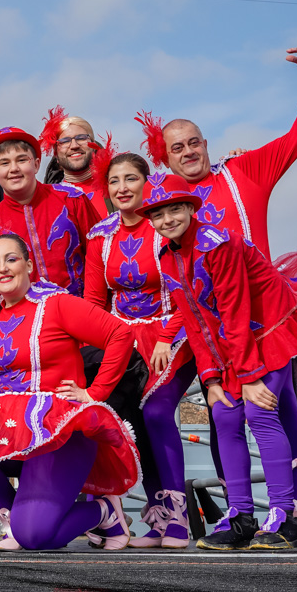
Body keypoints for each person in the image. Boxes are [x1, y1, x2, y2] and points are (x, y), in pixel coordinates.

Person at [0, 228, 140, 551]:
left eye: (11, 259)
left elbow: (120, 334)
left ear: (28, 265)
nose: (2, 268)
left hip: (59, 436)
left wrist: (94, 393)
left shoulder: (56, 304)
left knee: (35, 537)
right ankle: (17, 515)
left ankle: (103, 512)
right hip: (10, 432)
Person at [143, 175, 297, 550]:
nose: (167, 219)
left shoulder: (218, 243)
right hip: (233, 342)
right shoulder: (167, 257)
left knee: (260, 412)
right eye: (158, 214)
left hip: (268, 330)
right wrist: (211, 380)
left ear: (190, 208)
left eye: (175, 209)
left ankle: (286, 517)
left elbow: (234, 308)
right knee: (225, 416)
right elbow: (196, 323)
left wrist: (249, 377)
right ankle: (242, 517)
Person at [85, 155, 197, 548]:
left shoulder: (164, 226)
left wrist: (167, 336)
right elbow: (94, 302)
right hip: (122, 342)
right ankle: (158, 515)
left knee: (157, 412)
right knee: (132, 421)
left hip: (172, 335)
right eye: (114, 181)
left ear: (147, 183)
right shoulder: (99, 237)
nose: (122, 188)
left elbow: (189, 288)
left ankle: (180, 515)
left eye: (131, 178)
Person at [136, 47, 297, 260]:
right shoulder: (157, 202)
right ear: (166, 158)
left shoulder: (243, 170)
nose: (188, 152)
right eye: (178, 148)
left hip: (257, 282)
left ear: (205, 145)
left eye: (194, 143)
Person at [0, 127, 101, 298]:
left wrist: (92, 306)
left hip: (84, 306)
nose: (14, 168)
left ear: (36, 164)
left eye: (22, 160)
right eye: (4, 163)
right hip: (27, 313)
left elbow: (100, 256)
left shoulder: (73, 199)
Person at [39, 107, 110, 219]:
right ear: (56, 155)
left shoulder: (116, 187)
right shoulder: (46, 199)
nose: (74, 146)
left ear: (93, 146)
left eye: (81, 138)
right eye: (64, 141)